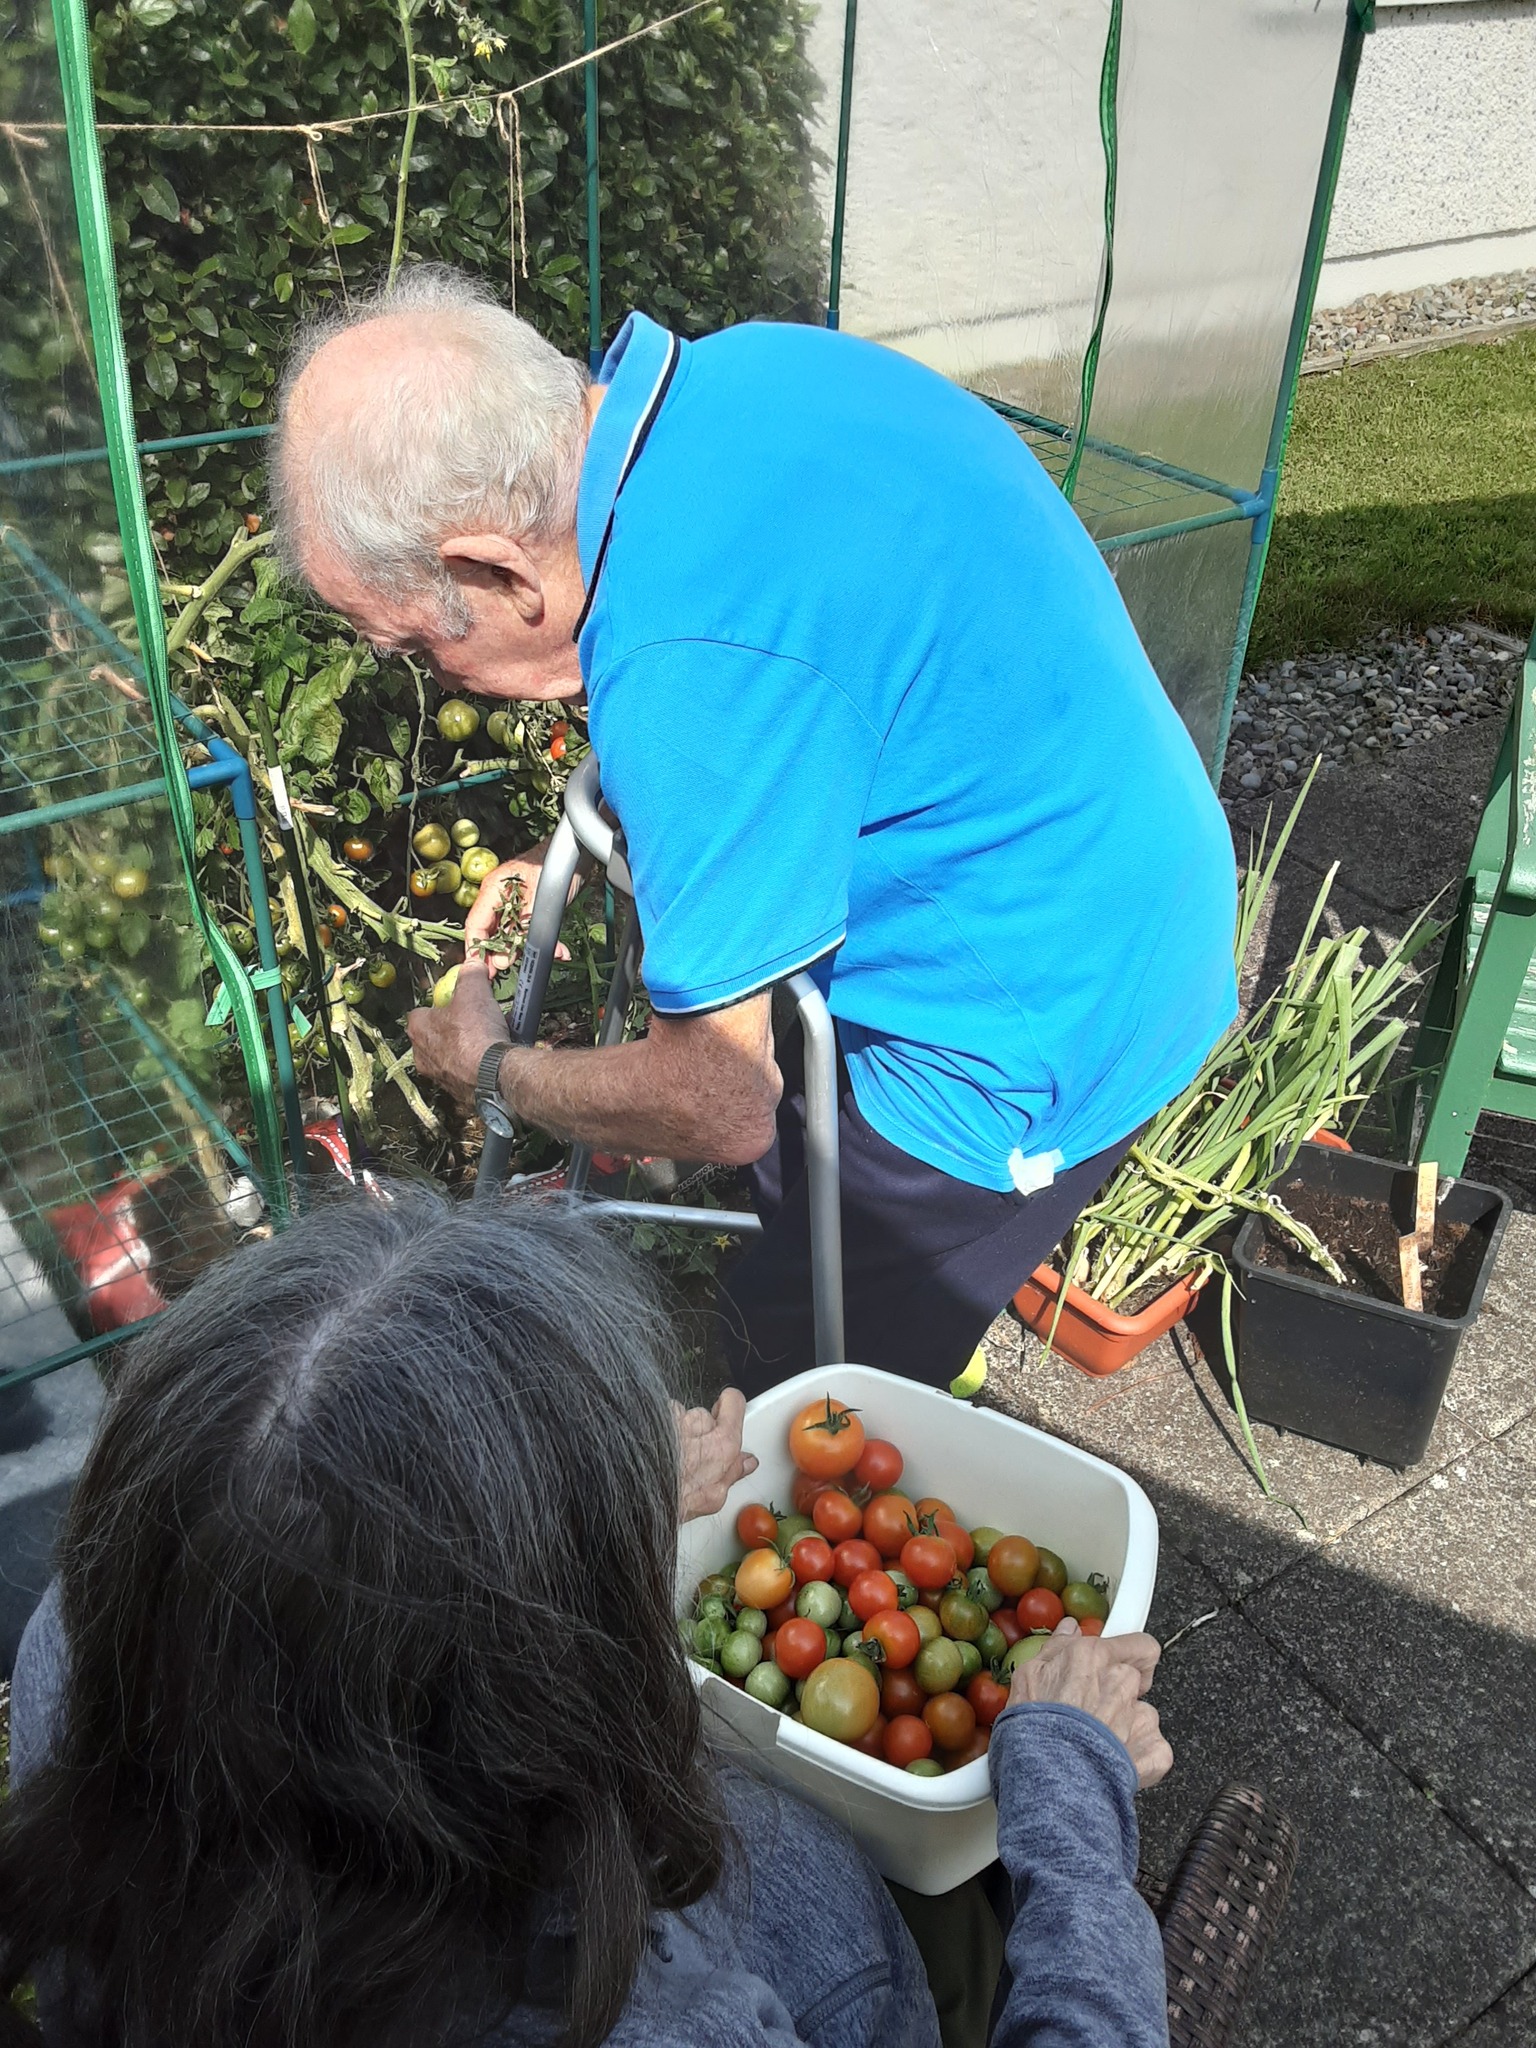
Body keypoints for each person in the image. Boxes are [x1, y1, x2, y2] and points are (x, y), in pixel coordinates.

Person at [270, 264, 1237, 1394]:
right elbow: (813, 661)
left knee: (796, 1384)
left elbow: (718, 1101)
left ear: (495, 569)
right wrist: (638, 831)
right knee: (798, 1176)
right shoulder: (748, 374)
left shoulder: (691, 669)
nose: (438, 677)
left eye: (419, 647)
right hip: (1115, 851)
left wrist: (494, 1071)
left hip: (1044, 1014)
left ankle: (879, 1424)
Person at [0, 1190, 1173, 2048]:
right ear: (533, 1694)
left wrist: (579, 1498)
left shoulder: (84, 1632)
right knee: (964, 1896)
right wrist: (1071, 1809)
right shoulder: (651, 2019)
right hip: (852, 1981)